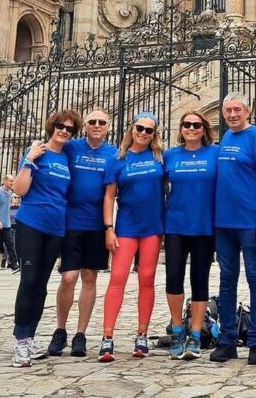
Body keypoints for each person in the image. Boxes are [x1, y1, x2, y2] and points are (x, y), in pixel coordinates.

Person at [11, 109, 82, 368]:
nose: (64, 131)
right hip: (31, 223)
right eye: (61, 126)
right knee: (29, 280)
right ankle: (20, 339)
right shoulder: (37, 153)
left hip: (56, 228)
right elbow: (19, 190)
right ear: (52, 126)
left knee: (41, 283)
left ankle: (29, 337)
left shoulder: (67, 159)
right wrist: (29, 159)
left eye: (70, 129)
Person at [211, 92, 256, 366]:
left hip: (250, 222)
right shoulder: (225, 138)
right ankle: (227, 339)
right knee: (227, 280)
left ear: (247, 111)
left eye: (237, 109)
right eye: (228, 111)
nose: (232, 114)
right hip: (224, 223)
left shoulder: (255, 136)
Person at [48, 109, 117, 359]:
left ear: (108, 126)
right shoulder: (71, 147)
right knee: (68, 277)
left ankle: (80, 334)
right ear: (85, 125)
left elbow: (112, 191)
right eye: (92, 122)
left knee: (89, 278)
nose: (97, 125)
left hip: (96, 224)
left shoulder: (113, 154)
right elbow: (52, 149)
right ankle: (60, 329)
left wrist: (110, 227)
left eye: (102, 122)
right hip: (71, 222)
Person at [98, 111, 164, 363]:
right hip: (126, 226)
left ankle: (142, 334)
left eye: (149, 130)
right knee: (118, 278)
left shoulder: (159, 157)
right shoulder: (118, 159)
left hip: (153, 227)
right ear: (132, 128)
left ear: (154, 133)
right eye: (140, 128)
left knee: (147, 278)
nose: (144, 133)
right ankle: (107, 337)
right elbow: (109, 197)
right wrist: (108, 227)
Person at [164, 109, 218, 360]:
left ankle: (195, 334)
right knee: (173, 277)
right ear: (181, 129)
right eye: (187, 124)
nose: (192, 128)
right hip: (176, 225)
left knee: (200, 279)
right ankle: (177, 330)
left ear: (204, 129)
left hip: (205, 226)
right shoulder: (170, 156)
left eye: (197, 125)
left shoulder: (215, 154)